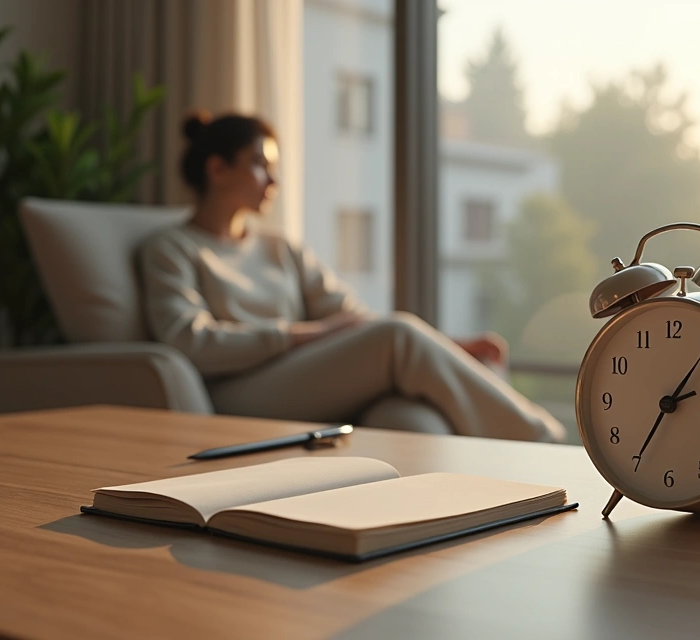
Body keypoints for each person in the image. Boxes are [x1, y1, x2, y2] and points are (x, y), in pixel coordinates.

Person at [137, 111, 565, 442]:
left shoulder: (279, 247)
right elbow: (188, 341)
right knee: (396, 335)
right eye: (258, 164)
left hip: (300, 376)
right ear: (217, 169)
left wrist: (450, 346)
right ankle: (543, 442)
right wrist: (305, 334)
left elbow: (354, 320)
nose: (274, 179)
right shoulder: (171, 249)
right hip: (236, 392)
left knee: (406, 409)